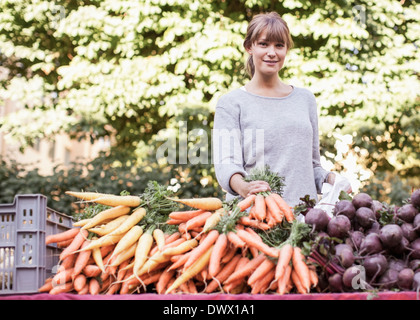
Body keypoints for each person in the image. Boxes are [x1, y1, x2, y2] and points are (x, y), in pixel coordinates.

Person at [212, 12, 349, 208]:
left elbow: (311, 167)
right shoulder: (231, 103)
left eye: (279, 45)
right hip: (254, 220)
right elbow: (227, 164)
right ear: (249, 47)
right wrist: (244, 187)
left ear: (286, 49)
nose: (272, 52)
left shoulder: (305, 99)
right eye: (264, 44)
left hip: (304, 222)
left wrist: (330, 179)